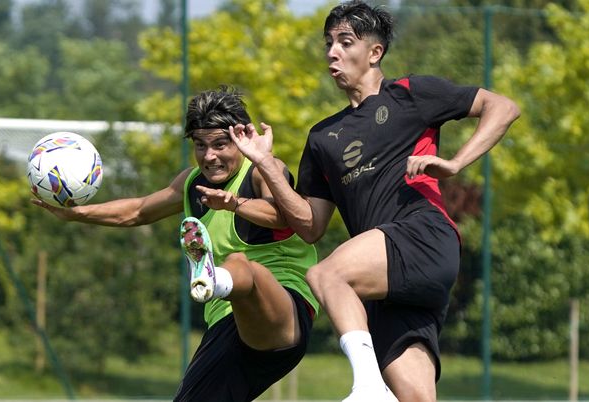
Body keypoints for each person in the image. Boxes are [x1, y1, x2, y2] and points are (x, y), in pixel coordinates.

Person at [228, 1, 521, 401]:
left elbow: (503, 107)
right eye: (328, 42)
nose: (332, 51)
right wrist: (266, 165)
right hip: (384, 279)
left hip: (424, 237)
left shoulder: (411, 94)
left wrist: (454, 163)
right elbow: (311, 225)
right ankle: (375, 389)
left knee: (325, 276)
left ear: (375, 52)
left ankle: (366, 388)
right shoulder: (322, 138)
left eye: (345, 42)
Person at [32, 86, 319, 402]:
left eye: (220, 144)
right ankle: (216, 280)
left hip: (285, 308)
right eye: (200, 145)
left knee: (243, 266)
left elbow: (284, 216)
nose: (209, 156)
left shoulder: (266, 170)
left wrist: (234, 203)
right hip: (226, 325)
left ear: (242, 139)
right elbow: (138, 211)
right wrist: (77, 214)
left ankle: (217, 278)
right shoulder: (192, 183)